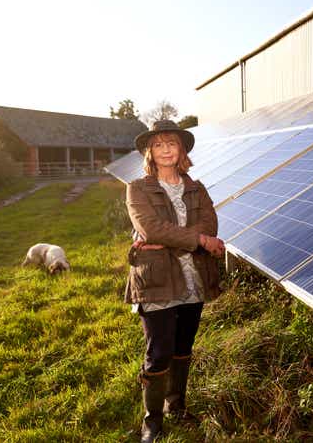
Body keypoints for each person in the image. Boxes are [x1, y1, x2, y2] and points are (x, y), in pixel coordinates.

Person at [124, 120, 225, 443]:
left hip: (193, 278)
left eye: (172, 144)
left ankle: (176, 407)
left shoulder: (197, 188)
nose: (166, 149)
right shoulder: (137, 188)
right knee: (160, 351)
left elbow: (210, 222)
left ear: (181, 150)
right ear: (149, 152)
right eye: (158, 144)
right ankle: (151, 422)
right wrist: (198, 239)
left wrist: (180, 238)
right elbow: (151, 227)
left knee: (183, 346)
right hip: (157, 280)